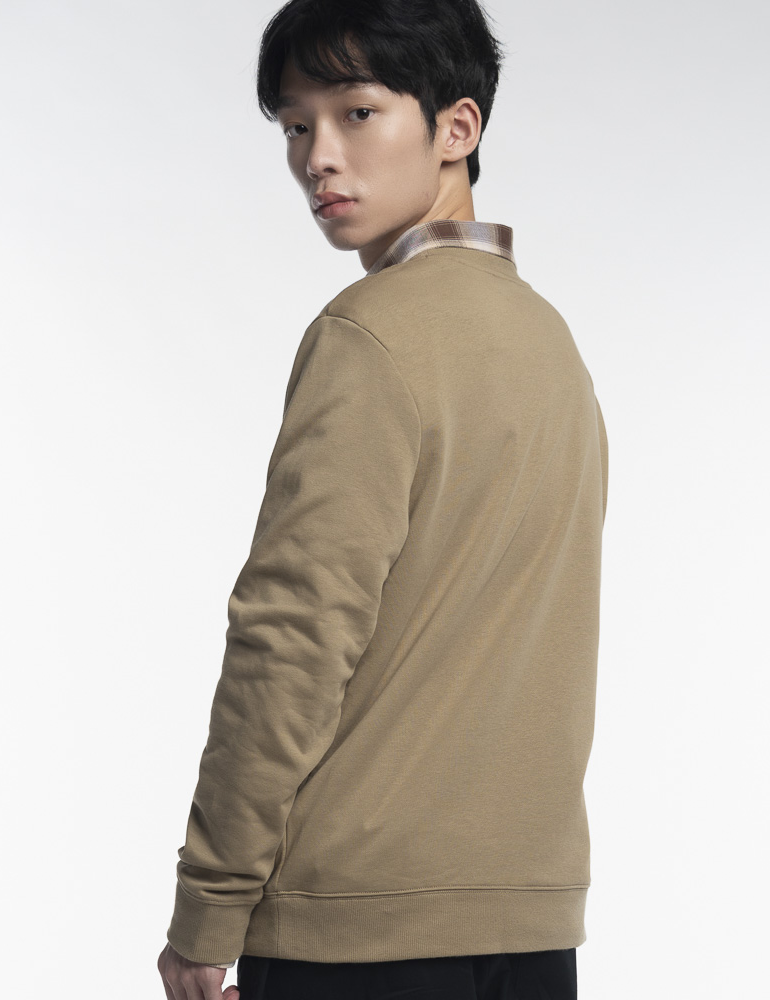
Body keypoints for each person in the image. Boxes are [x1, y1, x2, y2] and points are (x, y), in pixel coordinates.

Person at [157, 0, 609, 997]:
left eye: (356, 112)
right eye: (294, 125)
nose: (317, 156)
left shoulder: (368, 335)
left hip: (356, 929)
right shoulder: (551, 344)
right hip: (531, 924)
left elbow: (292, 636)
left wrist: (208, 907)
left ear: (456, 126)